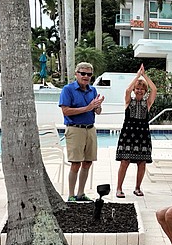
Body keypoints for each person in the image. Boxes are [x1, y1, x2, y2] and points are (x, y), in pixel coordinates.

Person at [59, 62, 104, 202]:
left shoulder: (93, 90)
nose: (85, 76)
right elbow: (65, 110)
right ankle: (71, 195)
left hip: (90, 129)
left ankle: (80, 193)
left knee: (88, 162)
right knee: (76, 163)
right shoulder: (68, 89)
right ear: (76, 74)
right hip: (75, 129)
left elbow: (98, 111)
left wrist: (97, 107)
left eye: (89, 74)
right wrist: (87, 107)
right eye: (83, 73)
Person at [115, 64, 157, 198]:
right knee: (124, 161)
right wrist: (137, 76)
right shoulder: (129, 101)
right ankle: (119, 188)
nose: (139, 91)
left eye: (142, 89)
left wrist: (145, 76)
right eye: (137, 88)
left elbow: (154, 89)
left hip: (143, 135)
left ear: (145, 91)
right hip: (128, 135)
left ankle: (138, 188)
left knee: (142, 162)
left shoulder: (147, 103)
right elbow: (127, 90)